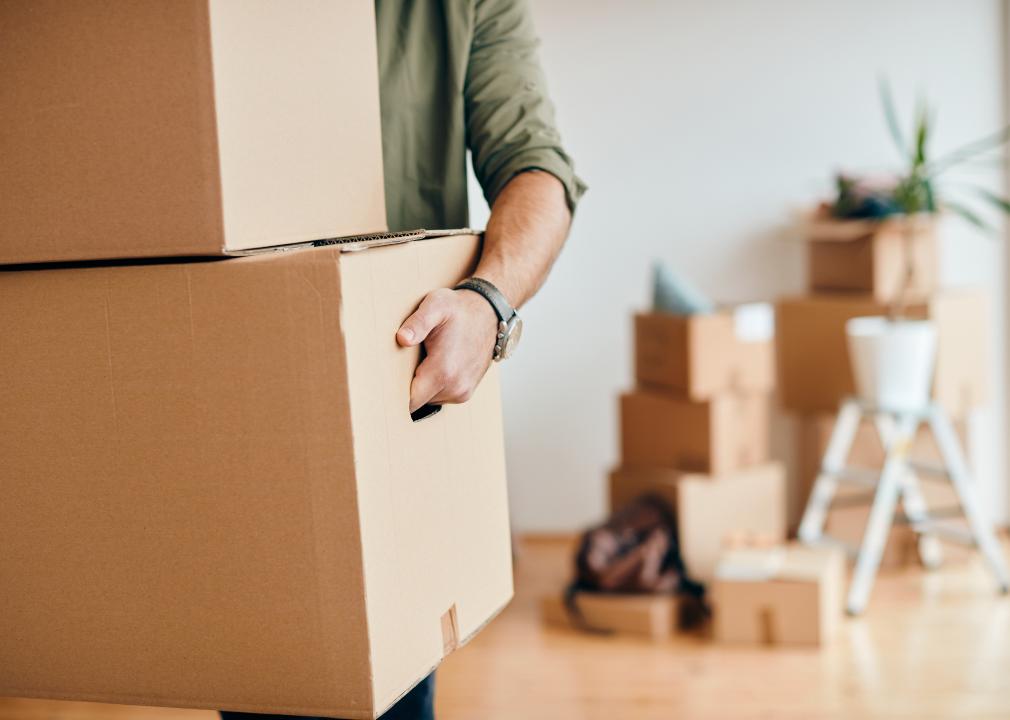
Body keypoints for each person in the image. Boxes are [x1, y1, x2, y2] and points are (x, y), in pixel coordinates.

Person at [221, 0, 582, 718]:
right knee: (253, 680)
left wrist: (488, 302)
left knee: (387, 688)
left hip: (390, 397)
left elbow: (539, 170)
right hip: (232, 381)